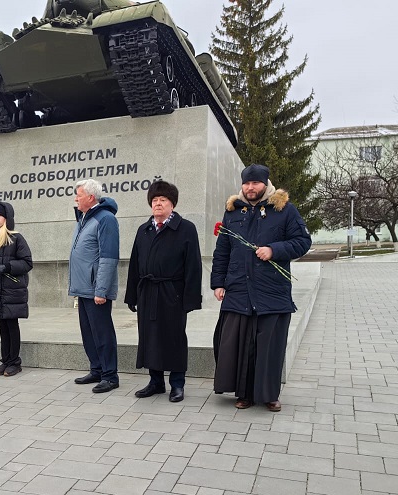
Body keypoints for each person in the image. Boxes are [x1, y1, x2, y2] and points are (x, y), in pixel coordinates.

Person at [211, 164, 312, 411]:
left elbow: (303, 241)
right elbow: (222, 250)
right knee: (241, 346)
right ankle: (244, 394)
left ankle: (269, 395)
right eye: (246, 183)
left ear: (265, 184)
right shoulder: (233, 212)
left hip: (272, 292)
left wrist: (274, 250)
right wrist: (218, 283)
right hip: (238, 290)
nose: (250, 188)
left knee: (269, 347)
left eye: (255, 183)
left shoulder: (284, 210)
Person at [124, 180, 202, 403]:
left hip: (172, 293)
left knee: (174, 338)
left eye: (163, 200)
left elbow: (193, 266)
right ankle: (155, 381)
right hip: (148, 292)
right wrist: (132, 295)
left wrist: (190, 299)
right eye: (155, 200)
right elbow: (135, 264)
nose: (158, 204)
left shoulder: (186, 229)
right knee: (150, 338)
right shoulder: (144, 229)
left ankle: (177, 384)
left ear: (172, 204)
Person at [68, 178, 120, 393]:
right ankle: (96, 369)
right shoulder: (84, 218)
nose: (75, 199)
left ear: (90, 197)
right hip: (83, 289)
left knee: (102, 333)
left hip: (96, 290)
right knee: (88, 333)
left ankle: (110, 375)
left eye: (78, 195)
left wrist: (101, 290)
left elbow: (108, 257)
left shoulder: (105, 219)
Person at [0, 201, 33, 376]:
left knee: (11, 325)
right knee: (2, 325)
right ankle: (5, 360)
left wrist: (7, 267)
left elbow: (27, 263)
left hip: (12, 291)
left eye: (0, 215)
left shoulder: (16, 238)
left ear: (7, 218)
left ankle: (14, 362)